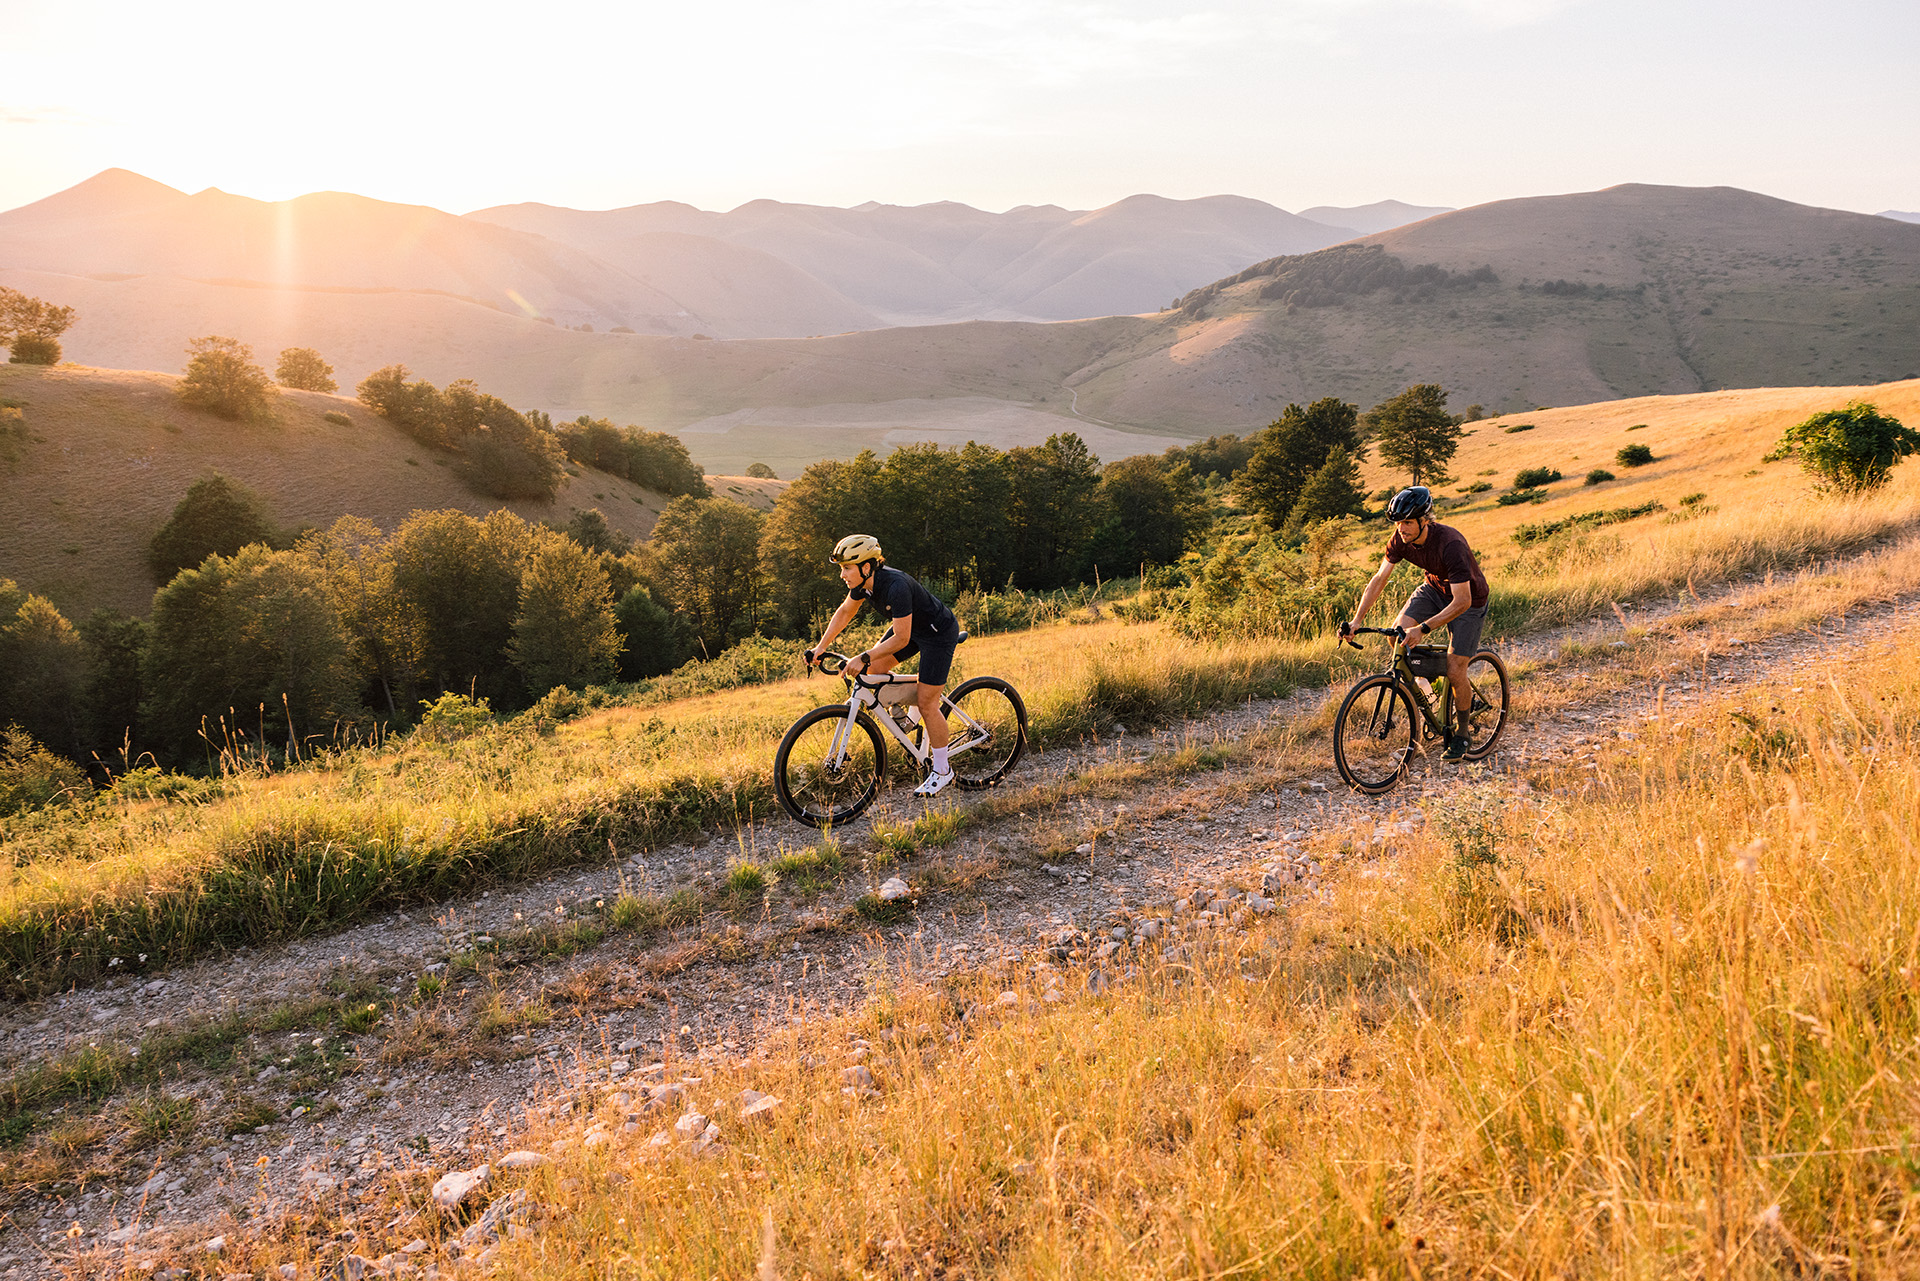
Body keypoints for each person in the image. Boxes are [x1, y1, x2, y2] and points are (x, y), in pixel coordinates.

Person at [805, 534, 963, 796]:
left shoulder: (896, 586)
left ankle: (943, 770)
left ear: (866, 567)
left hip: (937, 632)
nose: (842, 574)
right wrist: (820, 648)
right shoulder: (862, 585)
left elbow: (900, 638)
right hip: (911, 630)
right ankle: (912, 710)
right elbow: (845, 612)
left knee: (927, 702)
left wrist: (863, 655)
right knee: (873, 671)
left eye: (846, 568)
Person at [1342, 486, 1490, 761]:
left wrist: (1423, 628)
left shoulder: (1450, 544)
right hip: (1434, 590)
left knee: (1456, 666)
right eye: (1398, 523)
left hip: (1469, 600)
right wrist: (1356, 620)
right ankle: (1429, 691)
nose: (1402, 529)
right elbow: (1379, 579)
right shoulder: (1400, 539)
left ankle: (1462, 733)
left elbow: (1462, 602)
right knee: (1397, 636)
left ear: (1425, 520)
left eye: (1408, 522)